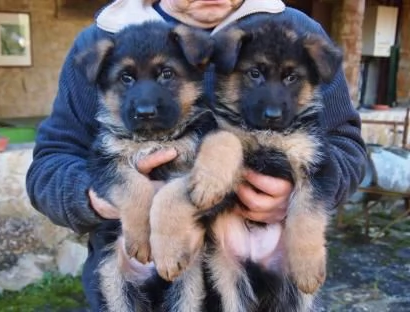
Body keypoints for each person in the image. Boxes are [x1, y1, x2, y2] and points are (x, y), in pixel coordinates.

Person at [26, 0, 367, 310]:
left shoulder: (299, 32)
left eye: (167, 74)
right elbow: (49, 165)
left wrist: (300, 199)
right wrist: (102, 196)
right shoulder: (100, 40)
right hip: (134, 283)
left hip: (268, 284)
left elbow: (347, 149)